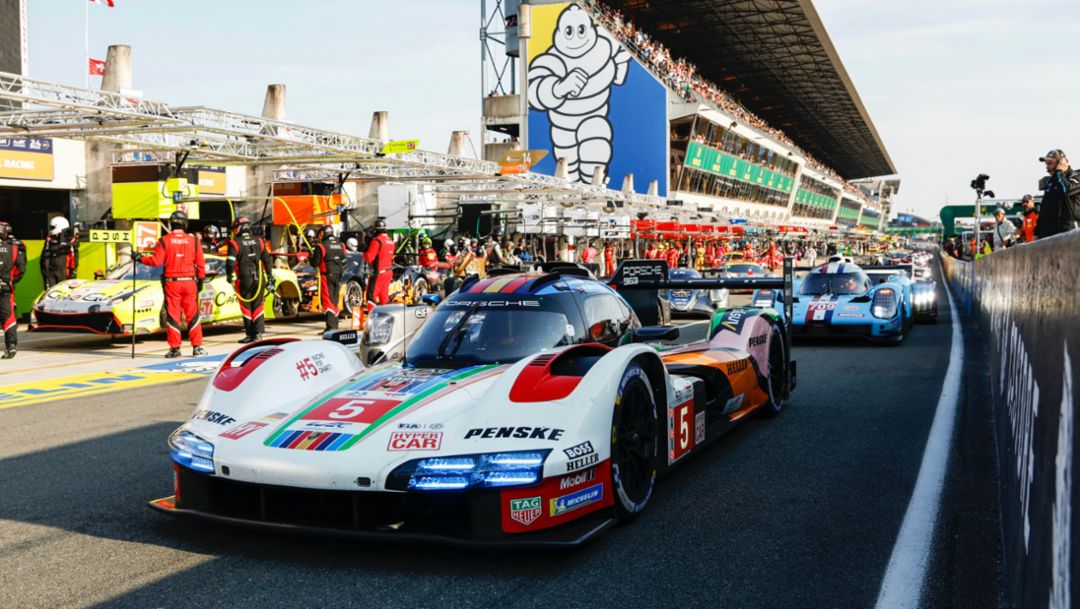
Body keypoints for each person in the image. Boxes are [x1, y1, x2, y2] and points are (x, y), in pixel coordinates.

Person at [140, 211, 207, 358]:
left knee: (173, 316)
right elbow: (201, 263)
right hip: (190, 283)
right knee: (193, 315)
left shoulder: (164, 240)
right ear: (185, 224)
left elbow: (156, 262)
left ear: (171, 223)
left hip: (172, 284)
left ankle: (175, 348)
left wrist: (140, 258)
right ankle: (197, 347)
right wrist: (201, 279)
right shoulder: (194, 241)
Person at [226, 217, 273, 344]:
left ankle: (250, 334)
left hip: (244, 278)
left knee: (246, 307)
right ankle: (258, 334)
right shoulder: (259, 241)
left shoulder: (234, 243)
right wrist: (270, 276)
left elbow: (230, 263)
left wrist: (229, 276)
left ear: (239, 228)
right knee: (258, 305)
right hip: (259, 277)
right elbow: (267, 261)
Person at [1035, 149, 1080, 238]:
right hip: (1049, 236)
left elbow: (1066, 190)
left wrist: (1060, 171)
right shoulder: (1051, 182)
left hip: (1069, 234)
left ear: (1061, 163)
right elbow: (1044, 208)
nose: (1047, 167)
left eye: (1050, 163)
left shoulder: (1076, 176)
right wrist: (1037, 232)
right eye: (1046, 164)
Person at [310, 224, 346, 331]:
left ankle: (331, 327)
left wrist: (311, 256)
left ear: (323, 234)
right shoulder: (341, 245)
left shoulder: (321, 246)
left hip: (327, 275)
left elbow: (315, 263)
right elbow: (344, 260)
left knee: (327, 300)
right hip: (339, 274)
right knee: (335, 299)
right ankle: (335, 324)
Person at [0, 222, 26, 359]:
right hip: (5, 286)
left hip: (5, 285)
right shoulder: (14, 247)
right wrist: (11, 281)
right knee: (8, 316)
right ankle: (11, 346)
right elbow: (21, 270)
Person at [39, 216, 78, 290]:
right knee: (50, 294)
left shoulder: (70, 240)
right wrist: (46, 274)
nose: (51, 229)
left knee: (64, 294)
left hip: (64, 273)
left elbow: (73, 259)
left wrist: (72, 275)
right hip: (51, 274)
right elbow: (44, 259)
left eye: (52, 227)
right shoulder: (49, 240)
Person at [363, 218, 394, 308]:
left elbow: (369, 257)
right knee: (384, 297)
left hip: (378, 273)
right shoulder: (390, 241)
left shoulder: (377, 241)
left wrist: (365, 248)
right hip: (388, 272)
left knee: (371, 297)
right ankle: (386, 318)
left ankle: (372, 318)